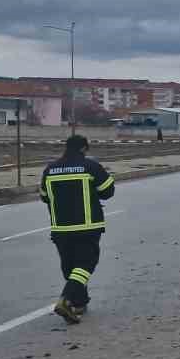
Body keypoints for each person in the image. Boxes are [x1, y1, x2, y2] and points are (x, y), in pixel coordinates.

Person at [40, 135, 115, 325]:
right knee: (85, 264)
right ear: (84, 149)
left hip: (61, 229)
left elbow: (44, 197)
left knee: (70, 267)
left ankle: (79, 303)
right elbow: (108, 192)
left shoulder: (50, 169)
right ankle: (65, 300)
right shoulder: (90, 166)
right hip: (86, 226)